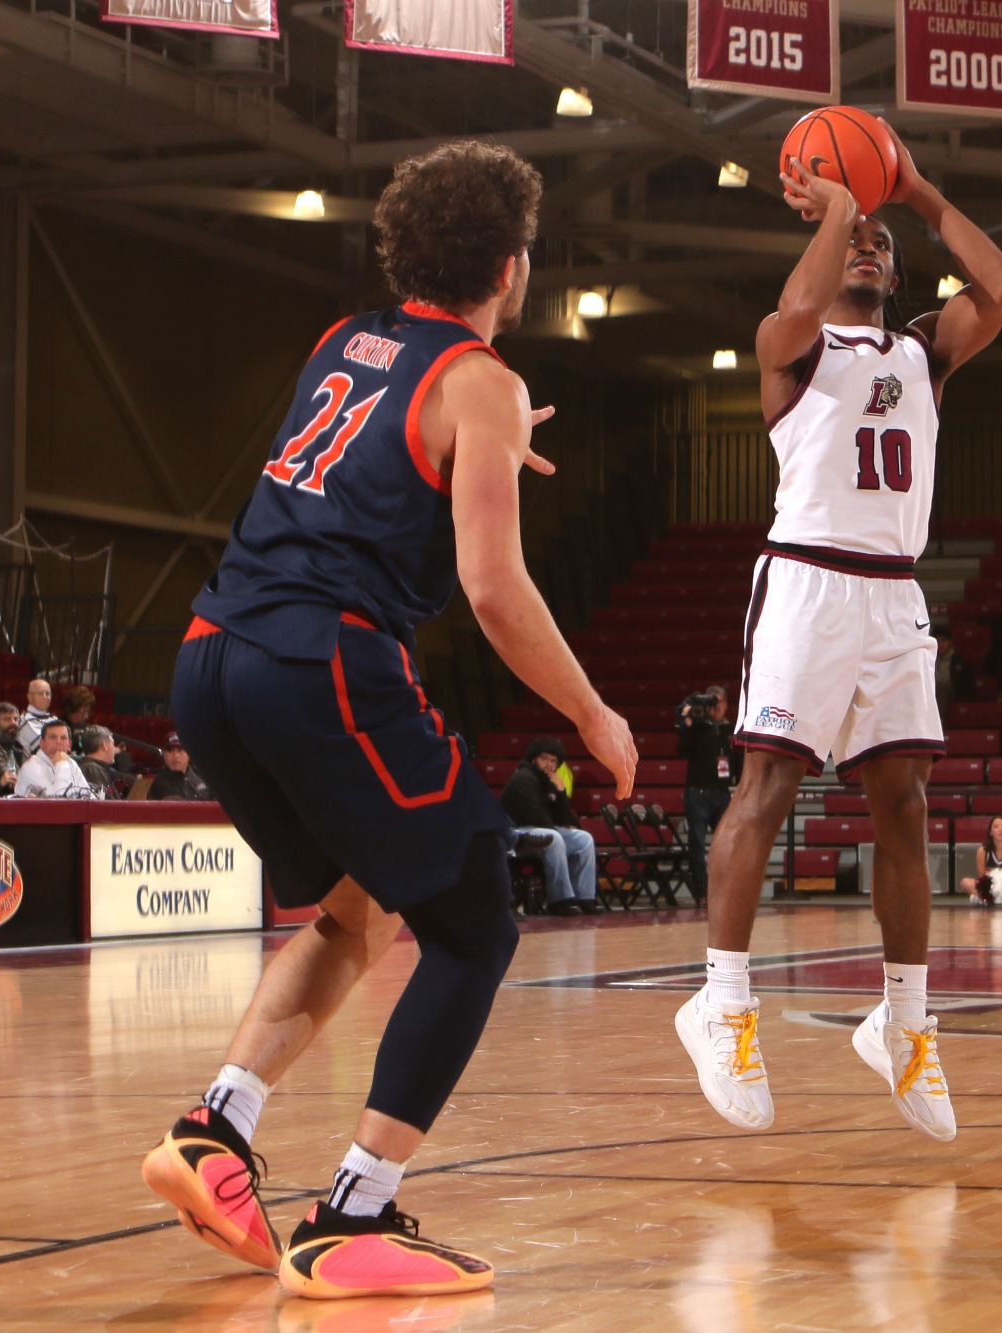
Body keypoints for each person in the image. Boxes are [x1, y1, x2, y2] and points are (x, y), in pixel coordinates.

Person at [140, 140, 637, 1303]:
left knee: (353, 912)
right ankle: (353, 1212)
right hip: (324, 663)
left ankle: (216, 1129)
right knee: (474, 925)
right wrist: (594, 713)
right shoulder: (480, 380)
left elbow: (372, 460)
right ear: (513, 265)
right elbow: (495, 593)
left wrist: (491, 441)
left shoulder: (344, 342)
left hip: (211, 658)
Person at [678, 120, 1002, 1148]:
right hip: (808, 584)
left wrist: (910, 189)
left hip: (891, 594)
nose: (867, 245)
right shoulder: (792, 348)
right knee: (766, 788)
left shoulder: (921, 350)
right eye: (851, 239)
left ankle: (903, 1020)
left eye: (880, 244)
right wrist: (836, 212)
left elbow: (1000, 291)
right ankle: (721, 1003)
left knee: (903, 806)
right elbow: (791, 305)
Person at [501, 738, 601, 915]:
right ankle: (559, 900)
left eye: (553, 761)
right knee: (554, 838)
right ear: (534, 759)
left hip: (541, 831)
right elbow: (535, 817)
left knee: (584, 839)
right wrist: (557, 831)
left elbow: (565, 818)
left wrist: (561, 793)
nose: (549, 764)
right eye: (545, 759)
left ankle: (584, 897)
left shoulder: (549, 781)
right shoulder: (523, 778)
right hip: (517, 834)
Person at [675, 686, 737, 906]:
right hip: (697, 793)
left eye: (719, 702)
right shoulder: (698, 727)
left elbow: (737, 762)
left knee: (727, 844)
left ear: (726, 704)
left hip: (721, 793)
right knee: (697, 843)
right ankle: (702, 890)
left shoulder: (731, 729)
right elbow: (682, 751)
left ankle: (727, 889)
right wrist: (688, 724)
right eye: (711, 703)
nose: (716, 707)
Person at [959, 814, 1002, 905]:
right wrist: (993, 887)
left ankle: (985, 900)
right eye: (996, 827)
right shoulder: (983, 851)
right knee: (965, 882)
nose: (1000, 830)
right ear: (991, 832)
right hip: (990, 888)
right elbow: (982, 879)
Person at [13, 718, 91, 798]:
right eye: (53, 737)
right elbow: (57, 801)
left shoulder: (71, 763)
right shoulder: (32, 767)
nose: (58, 742)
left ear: (69, 745)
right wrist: (62, 764)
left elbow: (88, 796)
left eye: (63, 738)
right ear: (41, 743)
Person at [148, 733, 211, 801]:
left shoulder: (203, 776)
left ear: (189, 753)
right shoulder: (159, 783)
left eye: (180, 750)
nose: (175, 756)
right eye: (170, 750)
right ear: (164, 755)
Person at [74, 724, 127, 798]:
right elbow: (105, 805)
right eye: (113, 743)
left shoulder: (91, 767)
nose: (115, 749)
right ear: (104, 745)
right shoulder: (93, 769)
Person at [17, 679, 54, 754]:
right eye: (40, 694)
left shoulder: (54, 718)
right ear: (29, 697)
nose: (45, 697)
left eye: (48, 694)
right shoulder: (24, 720)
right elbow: (46, 748)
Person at [0, 702, 25, 770]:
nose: (13, 723)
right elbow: (8, 774)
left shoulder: (19, 746)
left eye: (15, 719)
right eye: (7, 719)